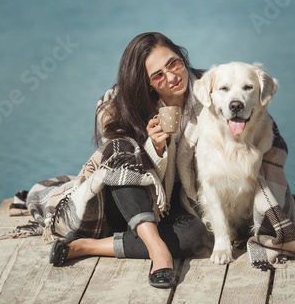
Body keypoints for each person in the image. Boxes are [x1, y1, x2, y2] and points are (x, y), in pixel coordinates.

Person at [47, 32, 209, 289]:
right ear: (148, 84)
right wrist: (154, 147)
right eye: (158, 75)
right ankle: (158, 251)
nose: (171, 77)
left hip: (175, 203)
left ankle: (87, 246)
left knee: (196, 235)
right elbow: (114, 159)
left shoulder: (212, 89)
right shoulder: (116, 106)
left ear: (181, 57)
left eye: (173, 63)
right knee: (122, 148)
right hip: (125, 200)